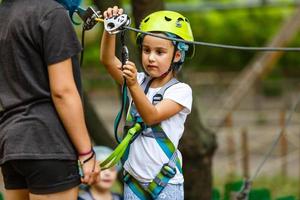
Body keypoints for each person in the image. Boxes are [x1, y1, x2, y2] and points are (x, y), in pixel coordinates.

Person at [0, 0, 100, 200]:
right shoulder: (52, 13)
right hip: (49, 143)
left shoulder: (5, 12)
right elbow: (63, 91)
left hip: (11, 144)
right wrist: (87, 152)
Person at [100, 6, 194, 200]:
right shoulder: (139, 80)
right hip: (133, 184)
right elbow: (108, 60)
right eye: (146, 50)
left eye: (160, 52)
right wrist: (110, 29)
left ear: (177, 55)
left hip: (166, 184)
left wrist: (133, 84)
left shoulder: (181, 91)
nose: (151, 57)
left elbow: (151, 116)